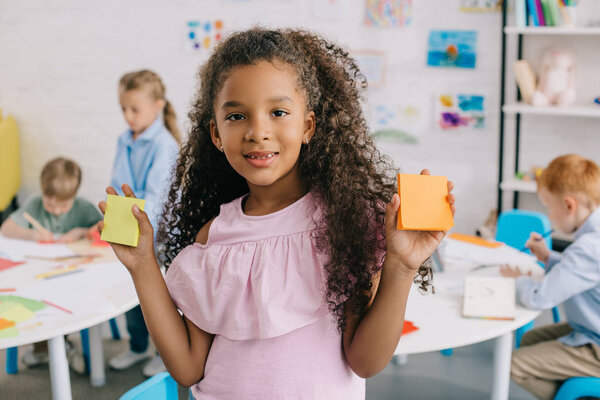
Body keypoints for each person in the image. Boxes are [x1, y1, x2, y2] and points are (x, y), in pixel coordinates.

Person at [99, 28, 455, 398]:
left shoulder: (346, 225)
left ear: (308, 126)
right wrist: (142, 265)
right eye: (236, 116)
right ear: (216, 135)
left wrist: (402, 266)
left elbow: (365, 361)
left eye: (278, 112)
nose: (257, 131)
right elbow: (187, 368)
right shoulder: (213, 239)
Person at [500, 154, 600, 400]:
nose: (549, 216)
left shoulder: (588, 247)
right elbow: (580, 272)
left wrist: (516, 279)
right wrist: (547, 256)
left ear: (568, 205)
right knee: (531, 338)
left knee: (512, 365)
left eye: (547, 207)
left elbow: (538, 298)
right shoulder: (592, 237)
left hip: (595, 345)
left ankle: (574, 396)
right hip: (590, 328)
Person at [107, 69, 180, 377]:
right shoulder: (125, 140)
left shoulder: (164, 145)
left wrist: (122, 215)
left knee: (160, 296)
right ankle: (138, 347)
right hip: (129, 226)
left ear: (157, 105)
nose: (128, 116)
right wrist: (112, 219)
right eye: (123, 108)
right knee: (130, 290)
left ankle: (165, 355)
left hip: (160, 234)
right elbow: (119, 184)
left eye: (134, 109)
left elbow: (155, 199)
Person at [1, 157, 101, 370]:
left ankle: (59, 344)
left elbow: (102, 231)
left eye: (63, 205)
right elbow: (7, 229)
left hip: (77, 277)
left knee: (64, 297)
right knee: (33, 293)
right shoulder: (35, 204)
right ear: (42, 193)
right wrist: (33, 235)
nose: (55, 210)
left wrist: (81, 232)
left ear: (74, 196)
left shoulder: (84, 208)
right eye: (50, 203)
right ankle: (46, 347)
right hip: (39, 275)